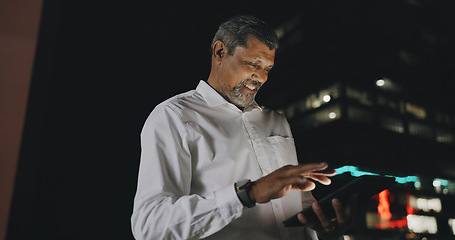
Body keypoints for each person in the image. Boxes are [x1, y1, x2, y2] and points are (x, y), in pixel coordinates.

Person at [131, 15, 354, 240]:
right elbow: (150, 225)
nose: (262, 77)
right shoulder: (175, 116)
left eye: (268, 68)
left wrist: (323, 229)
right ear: (220, 52)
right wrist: (247, 194)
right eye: (253, 64)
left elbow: (299, 204)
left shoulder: (276, 121)